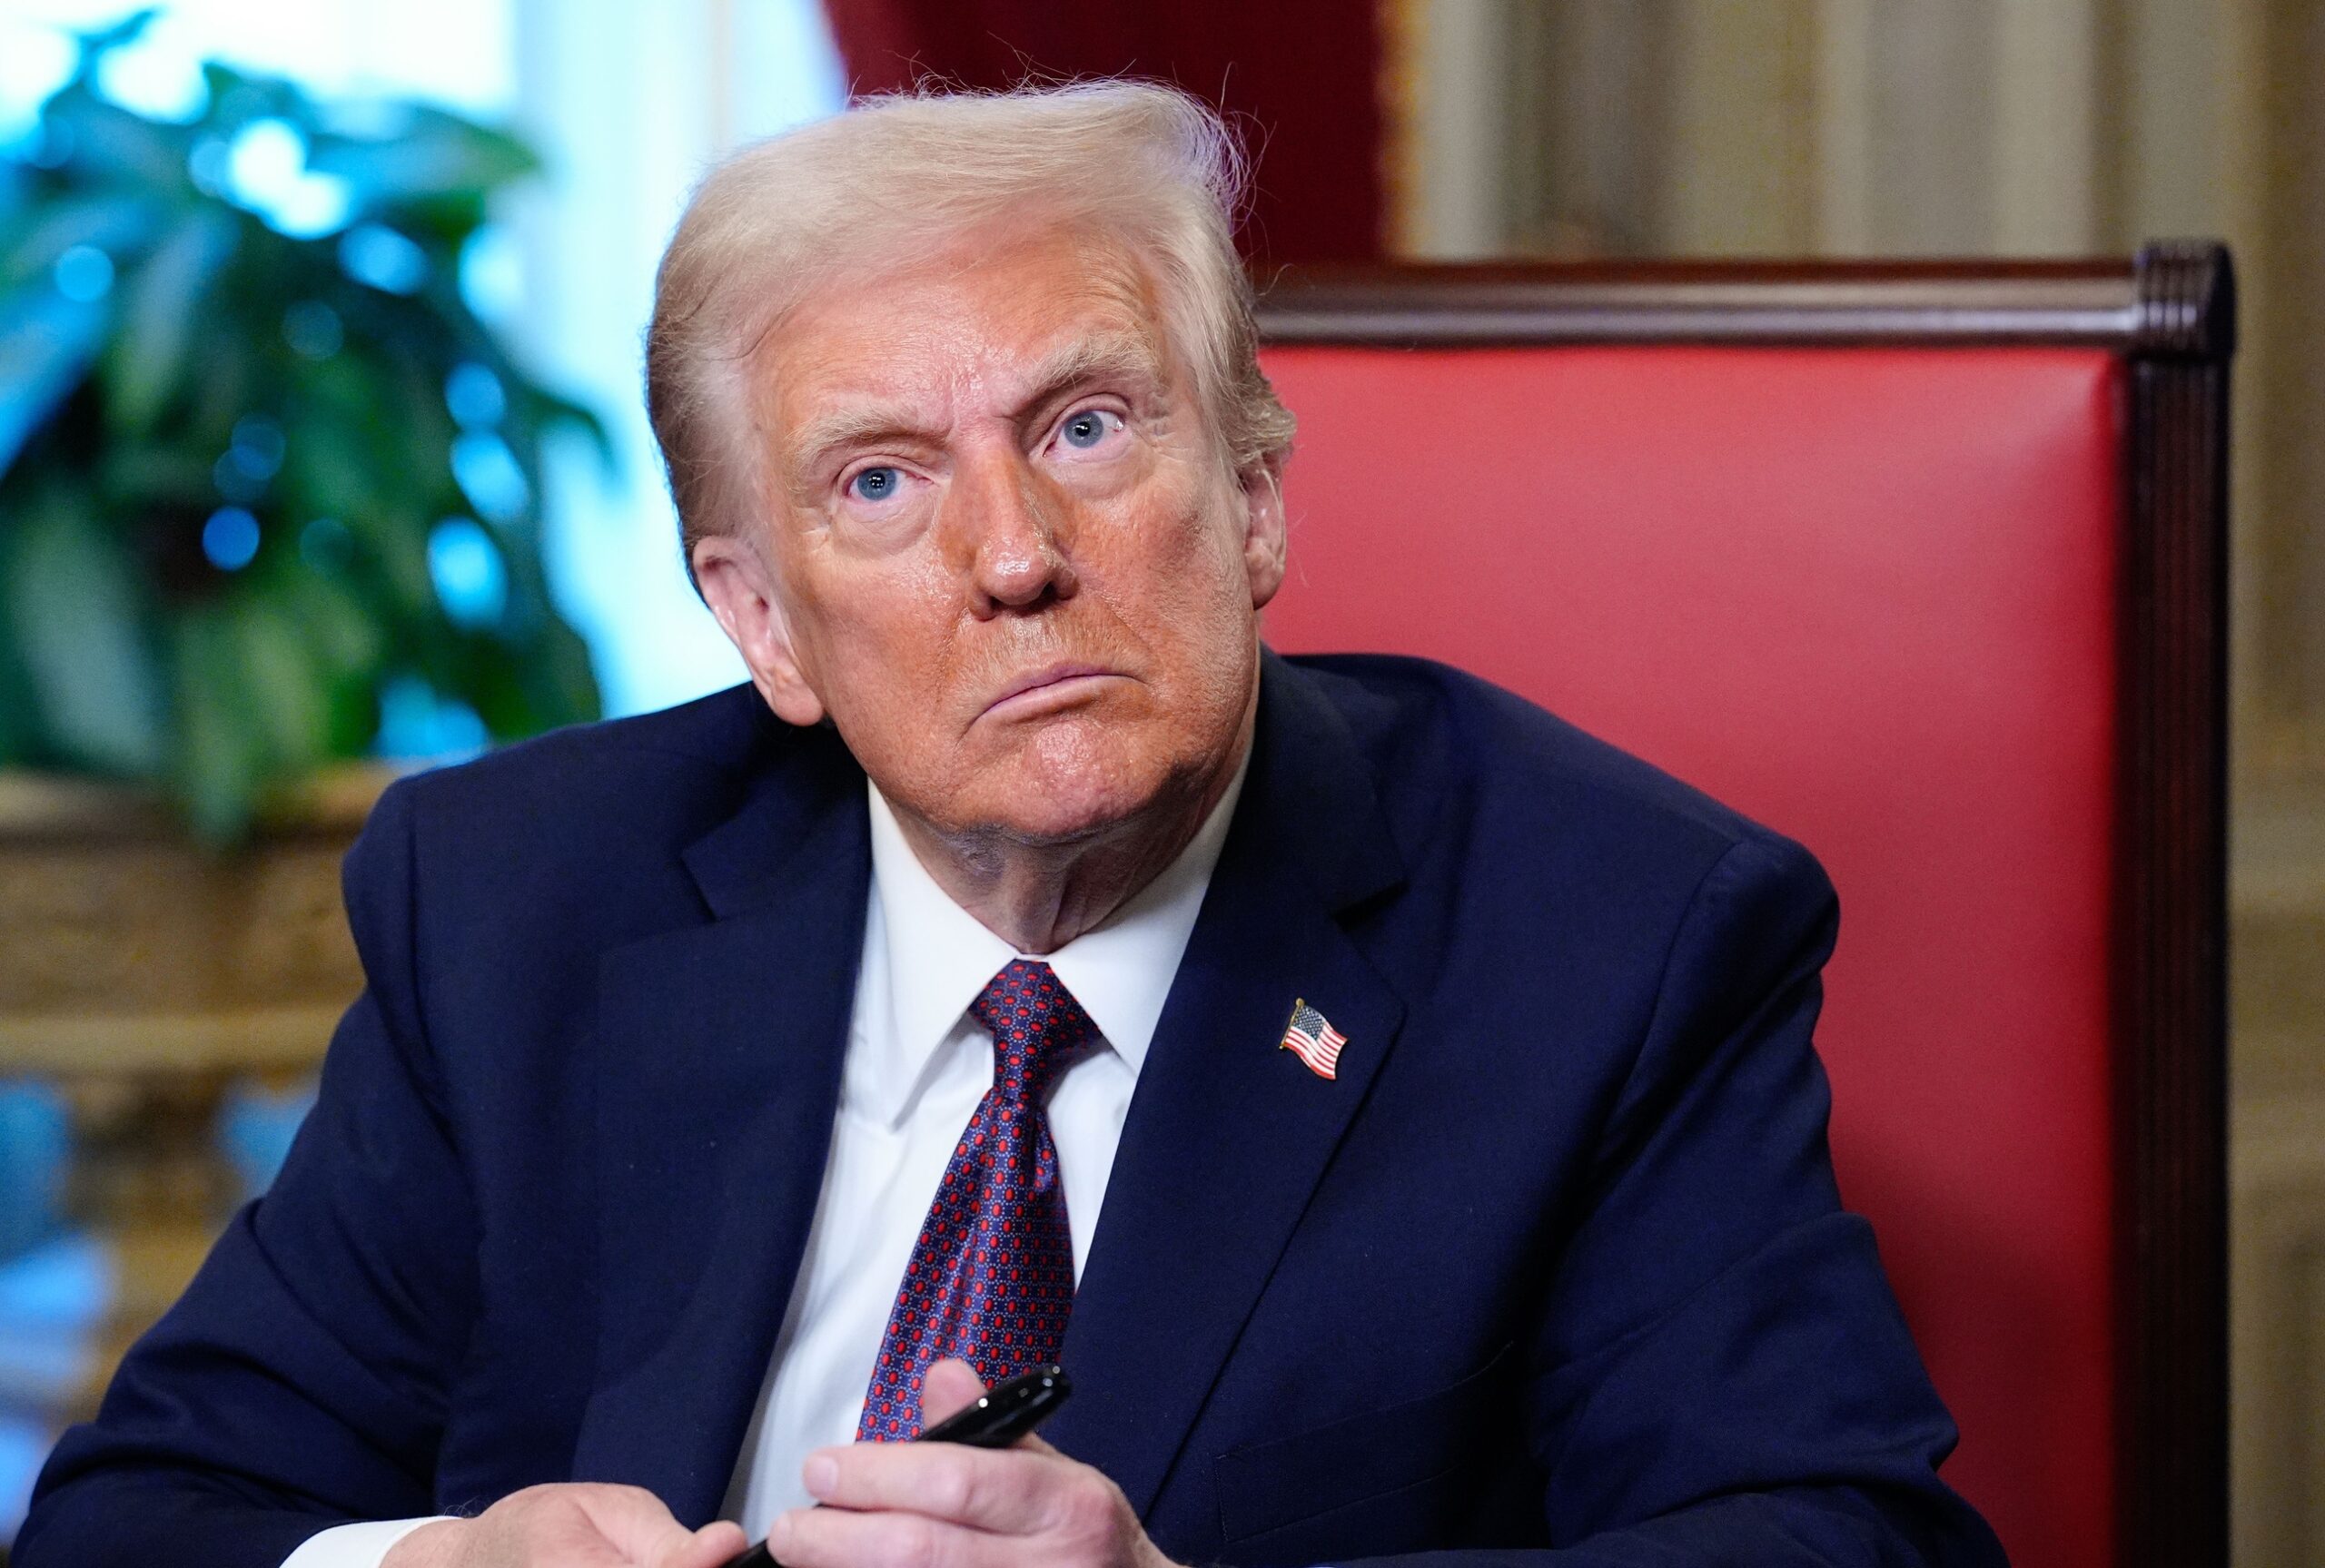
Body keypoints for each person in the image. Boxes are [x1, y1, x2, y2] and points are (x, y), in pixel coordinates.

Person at [18, 82, 2006, 1568]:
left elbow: (1832, 1546)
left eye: (1081, 428)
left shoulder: (1612, 937)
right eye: (879, 481)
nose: (1013, 558)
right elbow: (141, 1520)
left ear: (1250, 502)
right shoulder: (527, 903)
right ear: (762, 621)